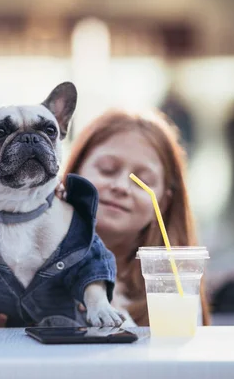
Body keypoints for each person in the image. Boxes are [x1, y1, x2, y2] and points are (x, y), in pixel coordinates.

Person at [61, 109, 211, 326]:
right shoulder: (29, 262)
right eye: (107, 170)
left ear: (164, 201)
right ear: (75, 172)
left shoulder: (175, 288)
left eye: (143, 180)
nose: (121, 187)